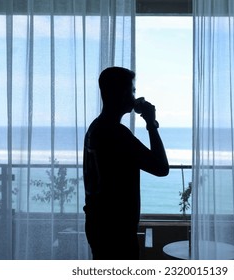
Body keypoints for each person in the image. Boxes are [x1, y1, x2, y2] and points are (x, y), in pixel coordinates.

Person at [83, 66, 169, 260]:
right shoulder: (116, 134)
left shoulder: (95, 128)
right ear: (120, 93)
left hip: (98, 223)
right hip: (116, 231)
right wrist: (151, 123)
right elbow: (161, 168)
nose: (134, 96)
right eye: (132, 90)